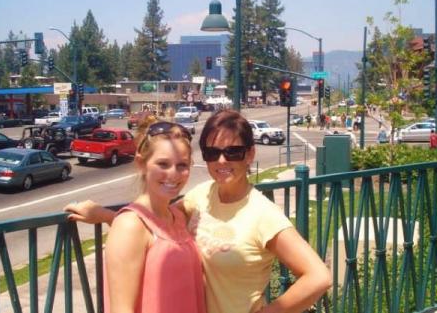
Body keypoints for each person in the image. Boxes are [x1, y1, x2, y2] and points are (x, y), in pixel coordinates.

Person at [66, 110, 332, 313]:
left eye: (234, 152)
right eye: (212, 152)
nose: (222, 161)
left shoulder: (263, 213)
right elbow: (155, 228)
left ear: (250, 155)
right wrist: (105, 215)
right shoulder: (202, 195)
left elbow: (319, 277)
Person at [71, 117, 206, 313]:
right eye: (163, 164)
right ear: (142, 164)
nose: (174, 174)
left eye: (182, 165)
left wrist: (107, 216)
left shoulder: (177, 216)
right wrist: (113, 219)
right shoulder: (129, 226)